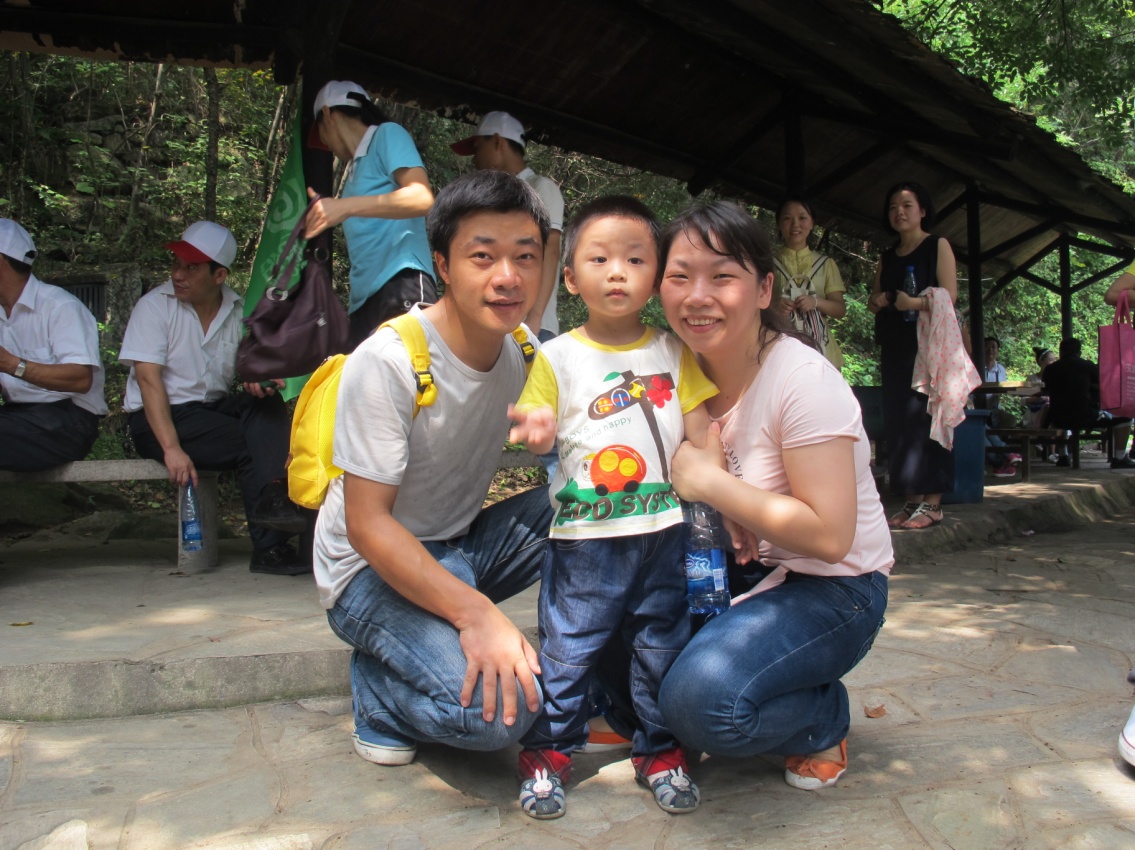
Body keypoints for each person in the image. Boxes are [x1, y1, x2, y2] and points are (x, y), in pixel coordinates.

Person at [313, 170, 556, 770]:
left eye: (525, 256)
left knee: (595, 499)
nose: (508, 277)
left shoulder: (524, 350)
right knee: (499, 717)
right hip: (365, 569)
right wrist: (479, 616)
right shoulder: (390, 361)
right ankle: (379, 694)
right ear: (443, 266)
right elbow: (367, 526)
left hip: (458, 544)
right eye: (483, 256)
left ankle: (581, 655)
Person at [652, 200, 891, 791]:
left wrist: (711, 483)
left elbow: (831, 538)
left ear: (764, 289)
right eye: (679, 276)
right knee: (608, 605)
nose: (697, 296)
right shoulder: (669, 366)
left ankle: (819, 717)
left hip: (835, 588)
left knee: (701, 701)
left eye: (722, 276)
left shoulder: (803, 381)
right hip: (738, 566)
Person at [507, 197, 716, 819]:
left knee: (660, 647)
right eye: (599, 260)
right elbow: (537, 424)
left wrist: (718, 487)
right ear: (571, 278)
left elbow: (701, 432)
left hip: (663, 532)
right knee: (569, 648)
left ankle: (661, 751)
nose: (617, 272)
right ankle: (548, 752)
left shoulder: (674, 352)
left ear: (656, 277)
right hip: (584, 540)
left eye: (634, 260)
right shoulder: (557, 356)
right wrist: (536, 428)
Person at [119, 221, 309, 575]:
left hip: (211, 412)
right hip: (159, 418)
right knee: (251, 444)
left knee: (265, 404)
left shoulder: (237, 311)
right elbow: (148, 380)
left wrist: (257, 379)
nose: (178, 274)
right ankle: (271, 545)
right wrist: (171, 448)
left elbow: (252, 367)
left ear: (219, 275)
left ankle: (278, 501)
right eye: (176, 264)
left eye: (191, 268)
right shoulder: (154, 307)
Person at [303, 80, 436, 350]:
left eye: (321, 132)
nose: (325, 143)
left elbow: (422, 197)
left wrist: (344, 206)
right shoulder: (354, 172)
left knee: (408, 375)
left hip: (400, 282)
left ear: (328, 113)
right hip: (364, 303)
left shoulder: (387, 135)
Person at [868, 181, 958, 529]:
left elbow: (949, 296)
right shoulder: (887, 256)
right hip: (896, 346)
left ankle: (933, 503)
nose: (899, 212)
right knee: (900, 421)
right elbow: (874, 299)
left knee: (928, 417)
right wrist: (880, 300)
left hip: (929, 347)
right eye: (893, 207)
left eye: (907, 205)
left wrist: (915, 303)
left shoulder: (937, 245)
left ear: (922, 210)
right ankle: (912, 498)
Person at [0, 219, 108, 471]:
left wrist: (10, 364)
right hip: (16, 415)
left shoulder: (60, 306)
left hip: (69, 419)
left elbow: (80, 379)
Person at [452, 111, 565, 343]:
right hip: (493, 322)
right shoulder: (487, 199)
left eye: (477, 148)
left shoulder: (540, 188)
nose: (474, 158)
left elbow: (550, 251)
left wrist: (535, 317)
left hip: (532, 326)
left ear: (497, 142)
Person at [773, 197, 847, 369]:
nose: (795, 224)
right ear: (779, 223)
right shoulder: (767, 264)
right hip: (779, 347)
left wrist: (815, 302)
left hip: (821, 350)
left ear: (812, 222)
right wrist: (774, 305)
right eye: (787, 218)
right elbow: (752, 305)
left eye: (802, 218)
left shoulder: (826, 264)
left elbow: (840, 310)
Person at [1041, 337, 1134, 469]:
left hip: (1057, 418)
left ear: (1061, 352)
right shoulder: (1087, 365)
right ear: (1079, 353)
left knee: (1063, 415)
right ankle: (1120, 457)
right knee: (1126, 417)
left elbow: (1045, 388)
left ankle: (1063, 456)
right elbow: (1103, 384)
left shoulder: (1050, 369)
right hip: (1084, 416)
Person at [977, 336, 1021, 477]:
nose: (990, 349)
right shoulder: (975, 366)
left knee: (1010, 420)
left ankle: (1004, 459)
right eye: (987, 346)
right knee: (980, 428)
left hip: (994, 409)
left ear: (997, 351)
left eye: (993, 347)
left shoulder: (1000, 369)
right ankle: (1006, 456)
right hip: (976, 409)